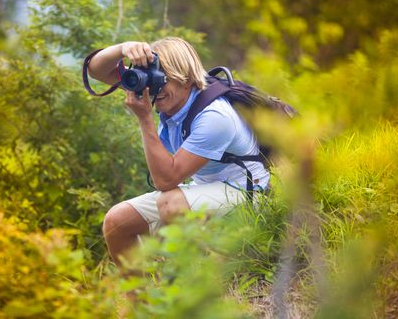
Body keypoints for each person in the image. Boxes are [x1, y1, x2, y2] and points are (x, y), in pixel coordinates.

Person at [87, 37, 270, 267]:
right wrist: (124, 48)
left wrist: (145, 119)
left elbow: (166, 180)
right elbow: (96, 70)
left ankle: (195, 284)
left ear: (187, 78)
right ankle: (138, 302)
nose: (155, 90)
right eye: (152, 80)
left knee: (171, 203)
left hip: (249, 195)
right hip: (205, 188)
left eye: (164, 81)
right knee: (116, 221)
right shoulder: (165, 93)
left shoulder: (214, 117)